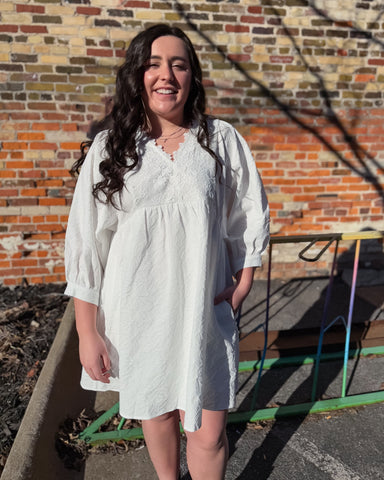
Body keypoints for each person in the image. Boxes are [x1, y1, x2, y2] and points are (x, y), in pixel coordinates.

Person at [65, 24, 269, 480]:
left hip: (202, 308)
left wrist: (245, 275)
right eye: (154, 64)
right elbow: (87, 243)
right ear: (137, 75)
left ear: (192, 77)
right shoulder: (111, 148)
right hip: (137, 312)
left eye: (179, 64)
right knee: (156, 415)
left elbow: (248, 211)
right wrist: (87, 332)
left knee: (209, 433)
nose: (167, 75)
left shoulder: (219, 141)